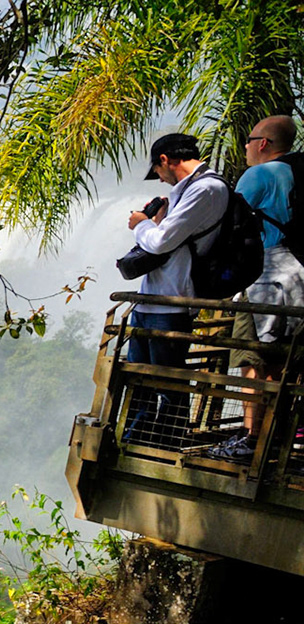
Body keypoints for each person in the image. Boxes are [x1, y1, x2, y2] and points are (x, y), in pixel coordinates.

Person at [126, 132, 232, 437]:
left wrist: (141, 224)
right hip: (152, 298)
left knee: (167, 382)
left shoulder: (207, 189)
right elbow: (169, 238)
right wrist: (158, 219)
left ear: (165, 160)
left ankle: (166, 441)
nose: (159, 180)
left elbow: (159, 243)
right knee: (139, 379)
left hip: (173, 300)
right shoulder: (186, 192)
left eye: (157, 172)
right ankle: (136, 435)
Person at [220, 115, 304, 458]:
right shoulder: (297, 171)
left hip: (267, 275)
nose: (245, 147)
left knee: (252, 356)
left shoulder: (260, 174)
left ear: (263, 143)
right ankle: (287, 435)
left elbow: (228, 223)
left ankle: (252, 438)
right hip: (299, 273)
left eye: (249, 139)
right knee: (287, 360)